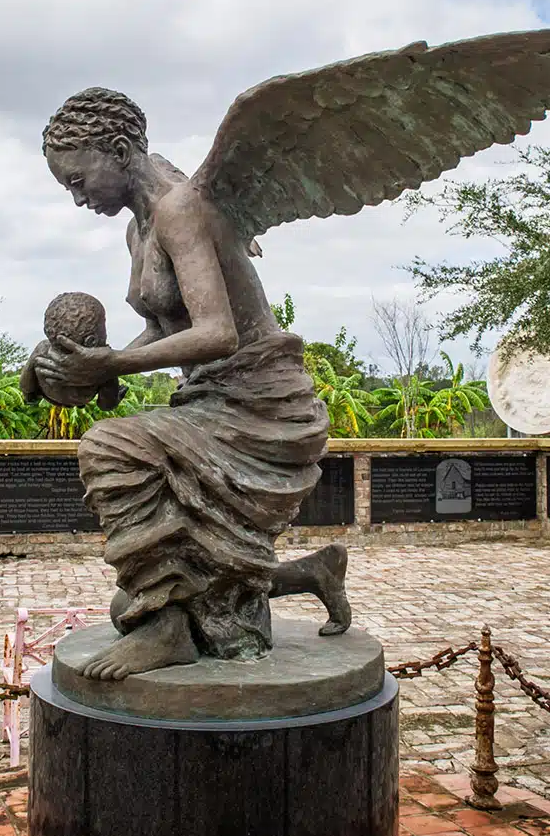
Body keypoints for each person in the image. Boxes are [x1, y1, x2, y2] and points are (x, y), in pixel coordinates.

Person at [32, 87, 349, 681]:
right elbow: (161, 325)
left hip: (261, 401)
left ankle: (172, 631)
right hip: (209, 398)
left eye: (78, 180)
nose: (77, 198)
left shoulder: (181, 209)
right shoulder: (139, 229)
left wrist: (108, 366)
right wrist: (91, 368)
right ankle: (310, 573)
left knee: (109, 449)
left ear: (120, 151)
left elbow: (217, 334)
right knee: (143, 592)